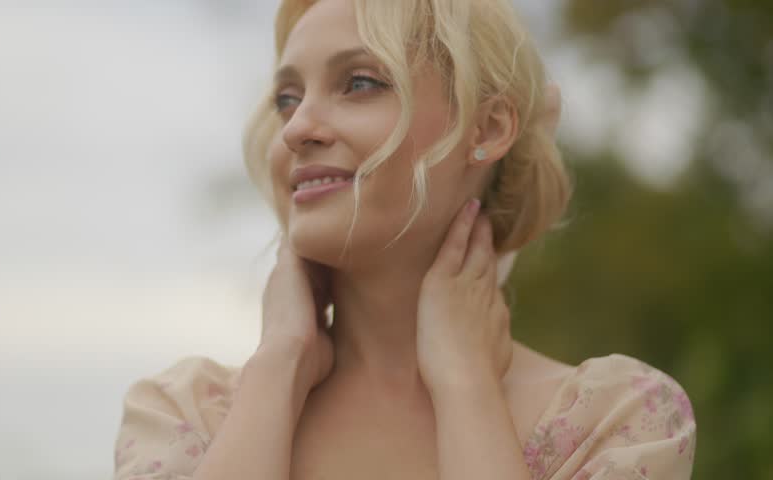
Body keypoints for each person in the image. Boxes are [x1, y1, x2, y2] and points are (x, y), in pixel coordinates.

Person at [112, 0, 697, 478]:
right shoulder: (183, 414)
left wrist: (464, 383)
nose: (295, 129)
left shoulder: (619, 420)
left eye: (359, 83)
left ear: (488, 128)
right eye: (287, 98)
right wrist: (280, 364)